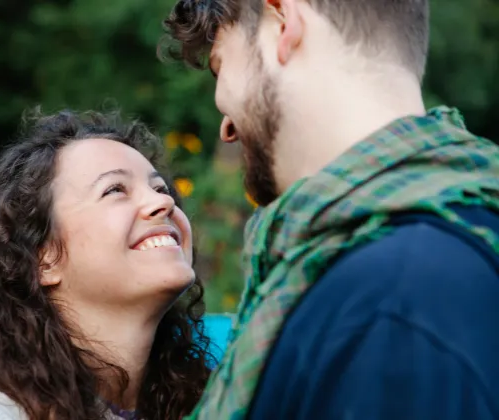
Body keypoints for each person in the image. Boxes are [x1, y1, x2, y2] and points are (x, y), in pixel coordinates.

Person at [160, 0, 499, 419]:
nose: (225, 126)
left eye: (220, 66)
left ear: (284, 22)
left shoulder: (392, 300)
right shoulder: (455, 238)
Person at [0, 109, 218, 420]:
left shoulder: (212, 404)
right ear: (43, 257)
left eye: (161, 189)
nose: (165, 203)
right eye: (115, 190)